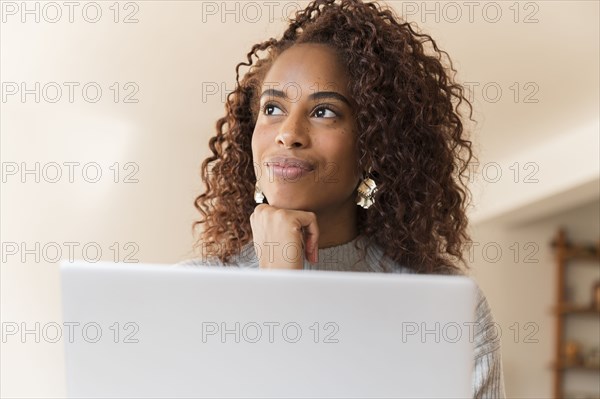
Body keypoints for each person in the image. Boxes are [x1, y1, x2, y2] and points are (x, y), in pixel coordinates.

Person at [178, 0, 505, 397]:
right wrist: (278, 280)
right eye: (273, 107)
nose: (289, 132)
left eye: (325, 112)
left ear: (376, 144)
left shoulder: (446, 309)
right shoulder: (189, 292)